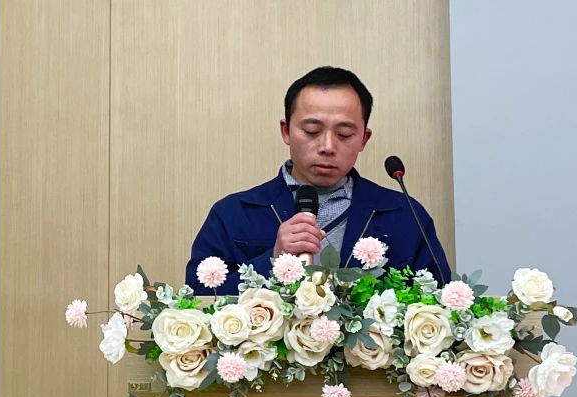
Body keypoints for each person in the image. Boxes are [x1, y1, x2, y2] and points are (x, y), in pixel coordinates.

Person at [185, 66, 450, 296]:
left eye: (344, 134)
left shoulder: (405, 215)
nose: (327, 146)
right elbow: (197, 302)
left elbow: (439, 305)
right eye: (312, 131)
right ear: (286, 131)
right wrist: (272, 261)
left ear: (364, 139)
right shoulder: (233, 213)